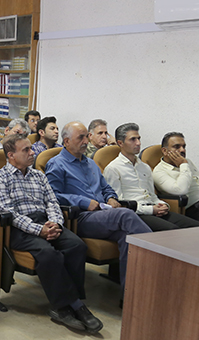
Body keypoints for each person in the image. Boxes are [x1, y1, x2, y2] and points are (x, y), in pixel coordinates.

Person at [0, 135, 103, 334]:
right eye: (26, 150)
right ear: (11, 155)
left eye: (31, 148)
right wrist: (38, 229)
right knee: (49, 253)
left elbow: (52, 202)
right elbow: (8, 213)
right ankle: (71, 305)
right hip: (18, 228)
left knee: (77, 246)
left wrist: (55, 223)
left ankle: (68, 303)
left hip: (46, 221)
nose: (32, 153)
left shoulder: (38, 176)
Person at [45, 122, 151, 291]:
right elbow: (51, 195)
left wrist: (110, 197)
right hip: (80, 218)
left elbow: (105, 187)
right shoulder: (56, 164)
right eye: (80, 137)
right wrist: (83, 201)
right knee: (125, 215)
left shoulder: (91, 163)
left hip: (103, 214)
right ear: (66, 141)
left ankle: (132, 295)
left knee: (128, 237)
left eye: (86, 136)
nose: (86, 141)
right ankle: (157, 256)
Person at [104, 123, 199, 232]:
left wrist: (162, 205)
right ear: (120, 143)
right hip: (136, 214)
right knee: (173, 231)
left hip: (153, 209)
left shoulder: (144, 167)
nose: (138, 143)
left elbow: (152, 195)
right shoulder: (113, 168)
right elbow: (119, 205)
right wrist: (150, 210)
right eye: (133, 139)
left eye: (138, 139)